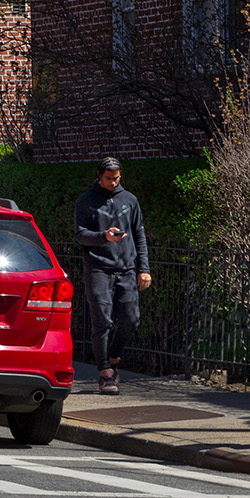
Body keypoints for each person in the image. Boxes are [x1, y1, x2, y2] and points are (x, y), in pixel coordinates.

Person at [73, 157, 150, 396]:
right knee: (102, 321)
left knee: (131, 318)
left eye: (117, 178)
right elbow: (80, 234)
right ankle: (105, 372)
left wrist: (143, 268)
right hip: (98, 268)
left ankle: (113, 357)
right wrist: (103, 237)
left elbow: (139, 234)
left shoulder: (130, 200)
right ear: (99, 175)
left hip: (126, 268)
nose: (113, 183)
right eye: (109, 178)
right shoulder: (86, 201)